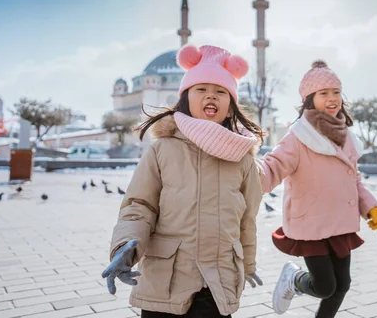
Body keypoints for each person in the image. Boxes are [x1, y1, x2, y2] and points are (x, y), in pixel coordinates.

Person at [102, 45, 265, 318]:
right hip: (166, 281)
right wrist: (125, 246)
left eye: (221, 91)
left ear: (230, 107)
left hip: (218, 282)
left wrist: (247, 265)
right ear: (185, 99)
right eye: (201, 89)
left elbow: (247, 220)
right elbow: (139, 205)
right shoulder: (162, 150)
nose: (211, 95)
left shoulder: (242, 159)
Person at [257, 60, 377, 318]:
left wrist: (368, 204)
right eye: (324, 93)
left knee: (342, 285)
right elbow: (273, 166)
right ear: (309, 100)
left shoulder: (346, 135)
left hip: (339, 222)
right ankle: (294, 278)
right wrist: (247, 173)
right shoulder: (297, 136)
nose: (332, 98)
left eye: (336, 92)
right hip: (311, 223)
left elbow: (353, 178)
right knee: (325, 286)